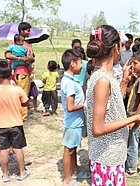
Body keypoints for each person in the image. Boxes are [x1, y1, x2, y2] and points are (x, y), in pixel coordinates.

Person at [85, 25, 140, 186]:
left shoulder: (105, 76)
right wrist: (134, 118)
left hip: (112, 155)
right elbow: (98, 128)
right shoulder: (102, 80)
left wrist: (123, 83)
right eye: (121, 46)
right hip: (107, 158)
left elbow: (111, 107)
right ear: (115, 47)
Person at [0, 59, 30, 183]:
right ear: (11, 73)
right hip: (16, 124)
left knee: (4, 150)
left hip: (1, 125)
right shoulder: (17, 90)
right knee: (18, 148)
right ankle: (22, 172)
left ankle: (5, 175)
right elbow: (25, 102)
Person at [60, 49, 85, 186]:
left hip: (76, 121)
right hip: (72, 122)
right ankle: (68, 179)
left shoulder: (70, 80)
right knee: (68, 150)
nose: (82, 65)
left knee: (73, 148)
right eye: (81, 62)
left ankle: (75, 171)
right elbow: (70, 107)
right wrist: (85, 105)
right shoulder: (69, 83)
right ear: (72, 64)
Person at [5, 22, 35, 122]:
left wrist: (30, 59)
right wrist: (21, 59)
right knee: (22, 95)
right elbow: (7, 55)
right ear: (21, 31)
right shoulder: (15, 45)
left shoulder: (27, 44)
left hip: (22, 72)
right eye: (27, 30)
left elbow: (31, 58)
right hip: (21, 72)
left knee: (19, 95)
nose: (29, 32)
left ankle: (16, 116)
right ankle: (21, 118)